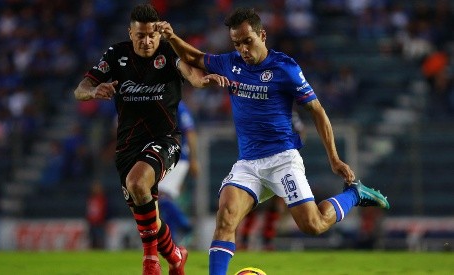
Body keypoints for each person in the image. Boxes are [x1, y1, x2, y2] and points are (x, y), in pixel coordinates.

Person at [156, 7, 390, 275]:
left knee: (312, 225)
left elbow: (317, 112)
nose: (243, 49)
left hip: (282, 159)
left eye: (247, 41)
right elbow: (193, 57)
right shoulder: (230, 63)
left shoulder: (285, 68)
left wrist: (334, 158)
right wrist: (172, 37)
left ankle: (355, 194)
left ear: (262, 35)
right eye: (237, 43)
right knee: (226, 217)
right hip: (248, 163)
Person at [73, 4, 228, 275]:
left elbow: (191, 74)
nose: (146, 41)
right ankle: (176, 255)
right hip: (127, 147)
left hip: (164, 139)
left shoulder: (168, 53)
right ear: (130, 34)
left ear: (159, 34)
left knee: (138, 182)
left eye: (151, 35)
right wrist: (95, 89)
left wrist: (205, 81)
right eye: (140, 35)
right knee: (149, 217)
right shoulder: (116, 55)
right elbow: (80, 90)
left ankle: (150, 261)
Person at [238, 110, 306, 251]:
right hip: (258, 160)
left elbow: (301, 131)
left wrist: (293, 151)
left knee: (275, 203)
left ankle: (267, 240)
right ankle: (244, 238)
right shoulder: (258, 108)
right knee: (252, 200)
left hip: (280, 163)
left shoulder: (290, 114)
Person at [158, 101, 198, 244]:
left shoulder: (178, 106)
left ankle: (184, 224)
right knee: (163, 199)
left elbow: (190, 132)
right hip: (164, 157)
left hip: (180, 157)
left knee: (161, 196)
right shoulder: (157, 101)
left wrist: (194, 159)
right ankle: (171, 240)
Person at [86, 180, 108, 249]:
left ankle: (101, 251)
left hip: (100, 223)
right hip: (92, 223)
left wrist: (104, 219)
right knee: (92, 240)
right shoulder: (90, 198)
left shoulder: (103, 199)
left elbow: (106, 210)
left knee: (100, 239)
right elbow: (88, 210)